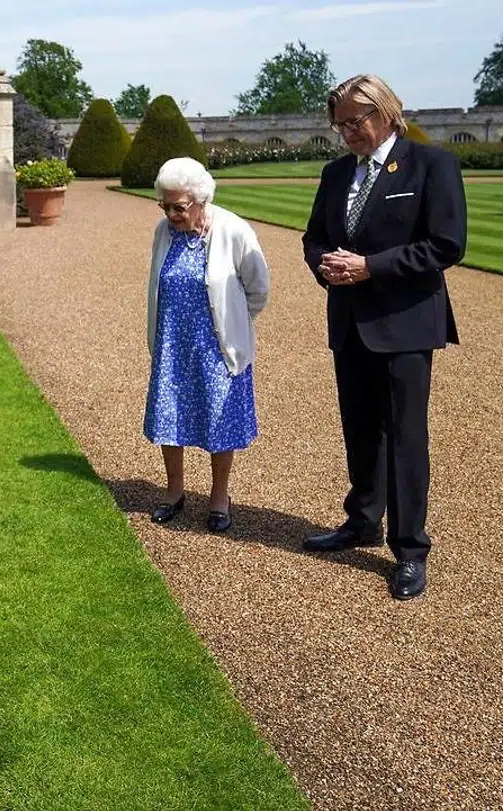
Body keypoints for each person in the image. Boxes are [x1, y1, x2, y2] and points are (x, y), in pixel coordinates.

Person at [300, 74, 466, 601]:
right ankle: (363, 520)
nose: (349, 131)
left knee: (405, 436)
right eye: (341, 124)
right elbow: (314, 237)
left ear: (387, 112)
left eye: (357, 120)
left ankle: (411, 549)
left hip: (405, 321)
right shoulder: (335, 173)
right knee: (360, 428)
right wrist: (325, 266)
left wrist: (371, 266)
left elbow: (446, 244)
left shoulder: (430, 164)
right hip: (349, 320)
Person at [143, 157, 271, 533]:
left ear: (201, 200)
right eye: (165, 206)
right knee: (169, 417)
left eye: (179, 207)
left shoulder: (233, 230)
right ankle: (174, 491)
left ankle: (219, 496)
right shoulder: (164, 232)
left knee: (219, 421)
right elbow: (157, 284)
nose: (171, 215)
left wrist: (233, 323)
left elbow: (258, 290)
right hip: (172, 345)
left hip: (216, 348)